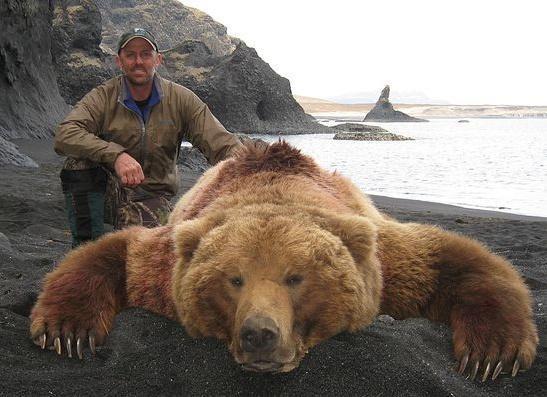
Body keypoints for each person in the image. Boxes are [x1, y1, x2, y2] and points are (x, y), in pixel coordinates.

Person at [55, 28, 242, 247]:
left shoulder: (181, 99)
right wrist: (116, 156)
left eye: (145, 54)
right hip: (109, 190)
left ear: (158, 59)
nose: (138, 61)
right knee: (77, 162)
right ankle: (84, 248)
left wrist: (253, 169)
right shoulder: (103, 96)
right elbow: (66, 133)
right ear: (119, 61)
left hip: (152, 195)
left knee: (149, 251)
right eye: (130, 55)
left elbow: (222, 144)